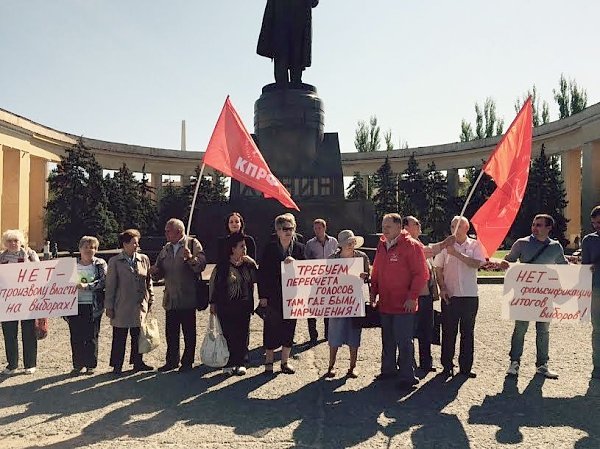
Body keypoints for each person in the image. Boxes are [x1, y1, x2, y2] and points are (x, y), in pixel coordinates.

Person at [500, 214, 569, 379]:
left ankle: (542, 365)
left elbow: (564, 267)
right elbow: (508, 260)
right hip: (525, 295)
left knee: (543, 330)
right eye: (533, 224)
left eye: (539, 225)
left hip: (545, 296)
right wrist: (505, 263)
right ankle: (514, 363)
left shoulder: (555, 247)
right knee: (520, 329)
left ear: (548, 228)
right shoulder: (521, 243)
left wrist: (583, 272)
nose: (535, 228)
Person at [370, 213, 428, 390]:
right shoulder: (382, 244)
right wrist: (374, 292)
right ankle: (388, 370)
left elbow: (421, 274)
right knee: (387, 339)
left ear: (398, 227)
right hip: (386, 303)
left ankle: (407, 376)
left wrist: (412, 297)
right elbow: (377, 271)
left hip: (404, 305)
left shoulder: (412, 246)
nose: (384, 229)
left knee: (404, 341)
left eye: (388, 226)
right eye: (383, 226)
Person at [150, 218, 206, 373]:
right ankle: (171, 360)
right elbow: (160, 269)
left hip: (188, 296)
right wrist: (155, 273)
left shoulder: (193, 244)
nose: (166, 233)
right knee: (171, 332)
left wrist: (190, 259)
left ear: (179, 231)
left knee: (189, 332)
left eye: (168, 230)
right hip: (171, 297)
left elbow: (201, 265)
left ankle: (187, 361)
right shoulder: (166, 248)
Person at [433, 216, 486, 379]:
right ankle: (447, 365)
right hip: (451, 294)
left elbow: (477, 263)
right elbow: (438, 268)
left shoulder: (475, 245)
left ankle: (466, 367)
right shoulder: (445, 246)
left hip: (470, 295)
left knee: (467, 332)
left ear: (466, 228)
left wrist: (456, 253)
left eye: (458, 226)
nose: (454, 229)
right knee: (448, 331)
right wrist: (442, 288)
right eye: (452, 226)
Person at [402, 216, 455, 373]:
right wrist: (445, 243)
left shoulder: (419, 243)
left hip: (426, 295)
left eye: (419, 223)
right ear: (406, 227)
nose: (419, 225)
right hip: (414, 296)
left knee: (426, 330)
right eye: (416, 224)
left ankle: (425, 363)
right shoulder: (407, 244)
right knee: (411, 332)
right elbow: (425, 253)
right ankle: (407, 364)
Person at [258, 213, 305, 375]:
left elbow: (307, 272)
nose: (288, 231)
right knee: (271, 327)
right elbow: (262, 272)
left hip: (293, 296)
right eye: (284, 229)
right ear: (277, 231)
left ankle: (285, 362)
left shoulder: (299, 248)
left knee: (289, 328)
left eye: (291, 228)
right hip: (273, 296)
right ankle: (269, 362)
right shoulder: (270, 248)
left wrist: (296, 264)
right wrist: (262, 296)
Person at [105, 229, 154, 374]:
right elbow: (110, 285)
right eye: (134, 243)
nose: (136, 246)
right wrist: (109, 306)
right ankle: (117, 364)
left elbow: (148, 280)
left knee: (138, 335)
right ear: (125, 244)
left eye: (137, 243)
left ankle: (138, 362)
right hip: (122, 305)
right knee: (119, 336)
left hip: (139, 304)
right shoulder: (115, 262)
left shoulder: (144, 259)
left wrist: (151, 298)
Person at [209, 232, 258, 376]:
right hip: (226, 306)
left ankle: (241, 362)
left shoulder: (248, 265)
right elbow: (213, 284)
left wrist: (253, 263)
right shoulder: (222, 266)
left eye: (245, 246)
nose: (245, 249)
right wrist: (212, 303)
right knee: (228, 334)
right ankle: (228, 363)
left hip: (244, 305)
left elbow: (257, 279)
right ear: (233, 248)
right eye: (241, 246)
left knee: (242, 335)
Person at [325, 230, 370, 379]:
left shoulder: (362, 257)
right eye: (348, 243)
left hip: (355, 301)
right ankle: (331, 366)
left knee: (354, 334)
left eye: (353, 242)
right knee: (334, 335)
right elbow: (324, 280)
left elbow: (368, 276)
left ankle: (353, 366)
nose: (351, 245)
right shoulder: (332, 259)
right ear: (342, 245)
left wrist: (365, 276)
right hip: (337, 302)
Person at [0, 230, 40, 375]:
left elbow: (40, 273)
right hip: (6, 301)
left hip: (27, 300)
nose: (13, 243)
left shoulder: (30, 255)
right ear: (5, 243)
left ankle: (30, 364)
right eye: (9, 241)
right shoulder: (1, 257)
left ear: (21, 241)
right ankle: (12, 365)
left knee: (28, 332)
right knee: (9, 333)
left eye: (15, 240)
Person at [67, 236, 107, 375]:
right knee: (76, 335)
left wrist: (87, 286)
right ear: (80, 249)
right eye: (86, 247)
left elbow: (103, 281)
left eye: (93, 247)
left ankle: (90, 364)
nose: (89, 250)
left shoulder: (99, 264)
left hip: (93, 305)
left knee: (91, 335)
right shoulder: (71, 265)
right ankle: (78, 364)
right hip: (74, 305)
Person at [257, 0, 319, 87]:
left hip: (298, 20)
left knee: (296, 54)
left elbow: (314, 2)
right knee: (281, 55)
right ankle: (283, 85)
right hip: (281, 20)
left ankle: (295, 82)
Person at [304, 218, 338, 343]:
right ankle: (313, 335)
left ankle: (328, 333)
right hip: (314, 280)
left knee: (328, 307)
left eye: (320, 228)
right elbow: (305, 260)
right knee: (312, 307)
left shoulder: (334, 242)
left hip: (329, 279)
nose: (317, 230)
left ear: (325, 228)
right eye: (315, 228)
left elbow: (338, 258)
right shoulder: (310, 244)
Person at [582, 206, 600, 379]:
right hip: (597, 288)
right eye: (594, 223)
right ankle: (598, 366)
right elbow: (585, 267)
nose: (596, 226)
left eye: (599, 222)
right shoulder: (588, 240)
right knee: (598, 329)